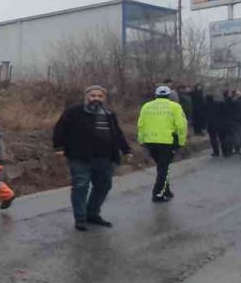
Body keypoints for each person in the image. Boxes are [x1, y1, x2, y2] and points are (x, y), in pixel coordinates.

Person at [52, 85, 132, 231]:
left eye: (100, 96)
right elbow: (60, 129)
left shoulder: (109, 114)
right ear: (86, 97)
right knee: (81, 186)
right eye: (93, 95)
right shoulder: (74, 112)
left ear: (104, 98)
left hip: (105, 158)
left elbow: (117, 134)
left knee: (104, 186)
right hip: (80, 157)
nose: (96, 99)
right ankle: (80, 218)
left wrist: (126, 150)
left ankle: (92, 214)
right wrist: (58, 147)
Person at [138, 85, 188, 202]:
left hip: (150, 141)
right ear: (169, 95)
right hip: (167, 142)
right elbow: (181, 126)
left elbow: (140, 125)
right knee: (163, 168)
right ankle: (158, 194)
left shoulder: (146, 106)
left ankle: (166, 191)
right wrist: (181, 141)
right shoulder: (175, 106)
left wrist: (141, 141)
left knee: (161, 167)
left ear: (156, 95)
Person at [206, 89, 232, 158]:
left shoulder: (205, 106)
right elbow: (225, 113)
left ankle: (216, 152)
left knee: (213, 139)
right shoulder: (220, 103)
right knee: (223, 139)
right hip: (221, 124)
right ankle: (225, 152)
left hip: (211, 125)